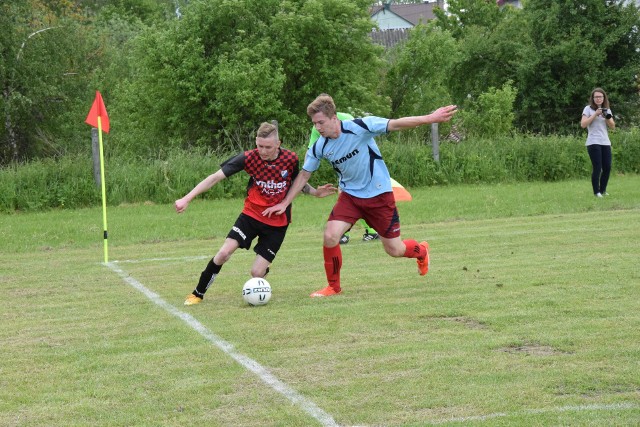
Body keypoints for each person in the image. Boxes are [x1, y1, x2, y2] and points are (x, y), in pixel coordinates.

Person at [263, 94, 457, 297]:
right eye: (314, 124)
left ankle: (422, 251)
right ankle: (333, 287)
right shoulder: (319, 146)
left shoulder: (360, 127)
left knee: (394, 249)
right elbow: (304, 175)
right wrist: (285, 203)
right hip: (350, 197)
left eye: (321, 122)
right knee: (330, 236)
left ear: (334, 118)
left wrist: (430, 118)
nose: (318, 128)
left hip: (379, 195)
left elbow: (396, 124)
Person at [176, 122, 336, 305]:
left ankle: (261, 279)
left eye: (268, 147)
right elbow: (215, 177)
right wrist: (187, 198)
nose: (263, 151)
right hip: (251, 216)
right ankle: (198, 293)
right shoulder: (248, 158)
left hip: (278, 223)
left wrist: (315, 192)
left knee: (256, 273)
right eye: (259, 146)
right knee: (223, 254)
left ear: (278, 143)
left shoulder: (290, 159)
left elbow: (296, 183)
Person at [309, 111, 379, 244]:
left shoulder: (346, 119)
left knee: (351, 200)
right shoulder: (317, 127)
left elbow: (359, 137)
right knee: (351, 201)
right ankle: (369, 230)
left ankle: (349, 233)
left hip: (359, 168)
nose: (318, 126)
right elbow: (312, 150)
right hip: (343, 169)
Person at [580, 88, 615, 198]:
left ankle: (603, 190)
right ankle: (596, 192)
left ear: (604, 98)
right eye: (596, 97)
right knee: (597, 167)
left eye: (600, 96)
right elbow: (583, 124)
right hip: (593, 142)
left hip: (605, 142)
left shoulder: (607, 110)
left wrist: (606, 117)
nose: (598, 98)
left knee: (607, 167)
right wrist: (595, 114)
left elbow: (612, 126)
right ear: (593, 98)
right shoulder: (588, 109)